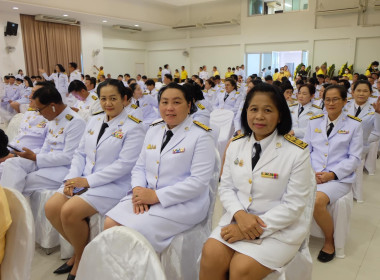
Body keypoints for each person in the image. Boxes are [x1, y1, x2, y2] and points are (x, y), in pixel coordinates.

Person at [200, 83, 314, 280]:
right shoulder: (236, 145)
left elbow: (293, 205)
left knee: (241, 269)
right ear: (246, 113)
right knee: (210, 255)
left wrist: (249, 230)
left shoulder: (296, 152)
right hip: (237, 218)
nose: (259, 116)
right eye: (253, 109)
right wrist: (240, 215)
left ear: (280, 116)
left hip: (279, 228)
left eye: (268, 110)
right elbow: (226, 187)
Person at [45, 79, 145, 279]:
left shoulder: (134, 127)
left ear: (125, 99)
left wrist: (87, 182)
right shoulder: (94, 119)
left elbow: (124, 165)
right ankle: (81, 252)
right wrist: (71, 179)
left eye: (113, 98)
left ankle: (81, 259)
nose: (108, 103)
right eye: (103, 98)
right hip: (83, 178)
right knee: (51, 207)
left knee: (69, 212)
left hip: (113, 184)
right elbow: (79, 153)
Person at [104, 82, 215, 254]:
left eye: (177, 102)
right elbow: (139, 166)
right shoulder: (154, 129)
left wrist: (156, 196)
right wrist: (138, 189)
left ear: (189, 105)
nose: (169, 108)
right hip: (147, 193)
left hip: (184, 203)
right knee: (109, 223)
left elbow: (198, 182)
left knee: (133, 232)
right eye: (164, 102)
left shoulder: (201, 135)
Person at [304, 85, 363, 263]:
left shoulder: (354, 125)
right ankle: (296, 237)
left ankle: (329, 241)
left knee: (316, 201)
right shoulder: (313, 122)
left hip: (339, 178)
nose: (330, 103)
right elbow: (306, 151)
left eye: (335, 99)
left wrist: (332, 174)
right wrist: (311, 172)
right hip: (313, 174)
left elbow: (354, 158)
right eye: (327, 99)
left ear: (345, 101)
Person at [0, 85, 86, 196]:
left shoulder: (75, 122)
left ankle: (7, 209)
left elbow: (68, 157)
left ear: (52, 106)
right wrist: (31, 156)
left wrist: (36, 157)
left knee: (22, 179)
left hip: (62, 169)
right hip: (44, 162)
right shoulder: (52, 119)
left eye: (40, 110)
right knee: (11, 163)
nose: (40, 114)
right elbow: (46, 148)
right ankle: (6, 208)